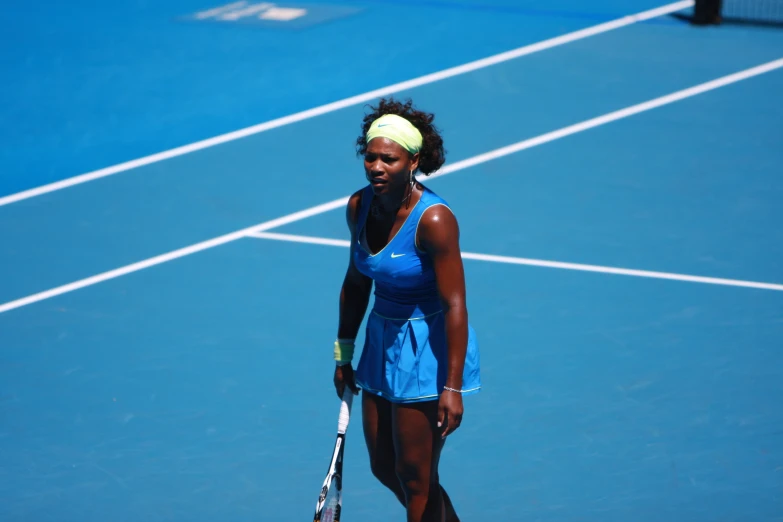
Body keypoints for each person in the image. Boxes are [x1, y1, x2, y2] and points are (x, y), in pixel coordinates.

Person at [331, 97, 481, 522]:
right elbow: (356, 282)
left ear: (413, 161)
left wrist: (451, 388)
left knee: (415, 479)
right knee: (384, 466)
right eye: (371, 157)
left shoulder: (435, 220)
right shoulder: (359, 207)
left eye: (389, 159)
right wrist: (344, 354)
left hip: (427, 350)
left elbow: (455, 304)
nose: (376, 166)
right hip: (380, 342)